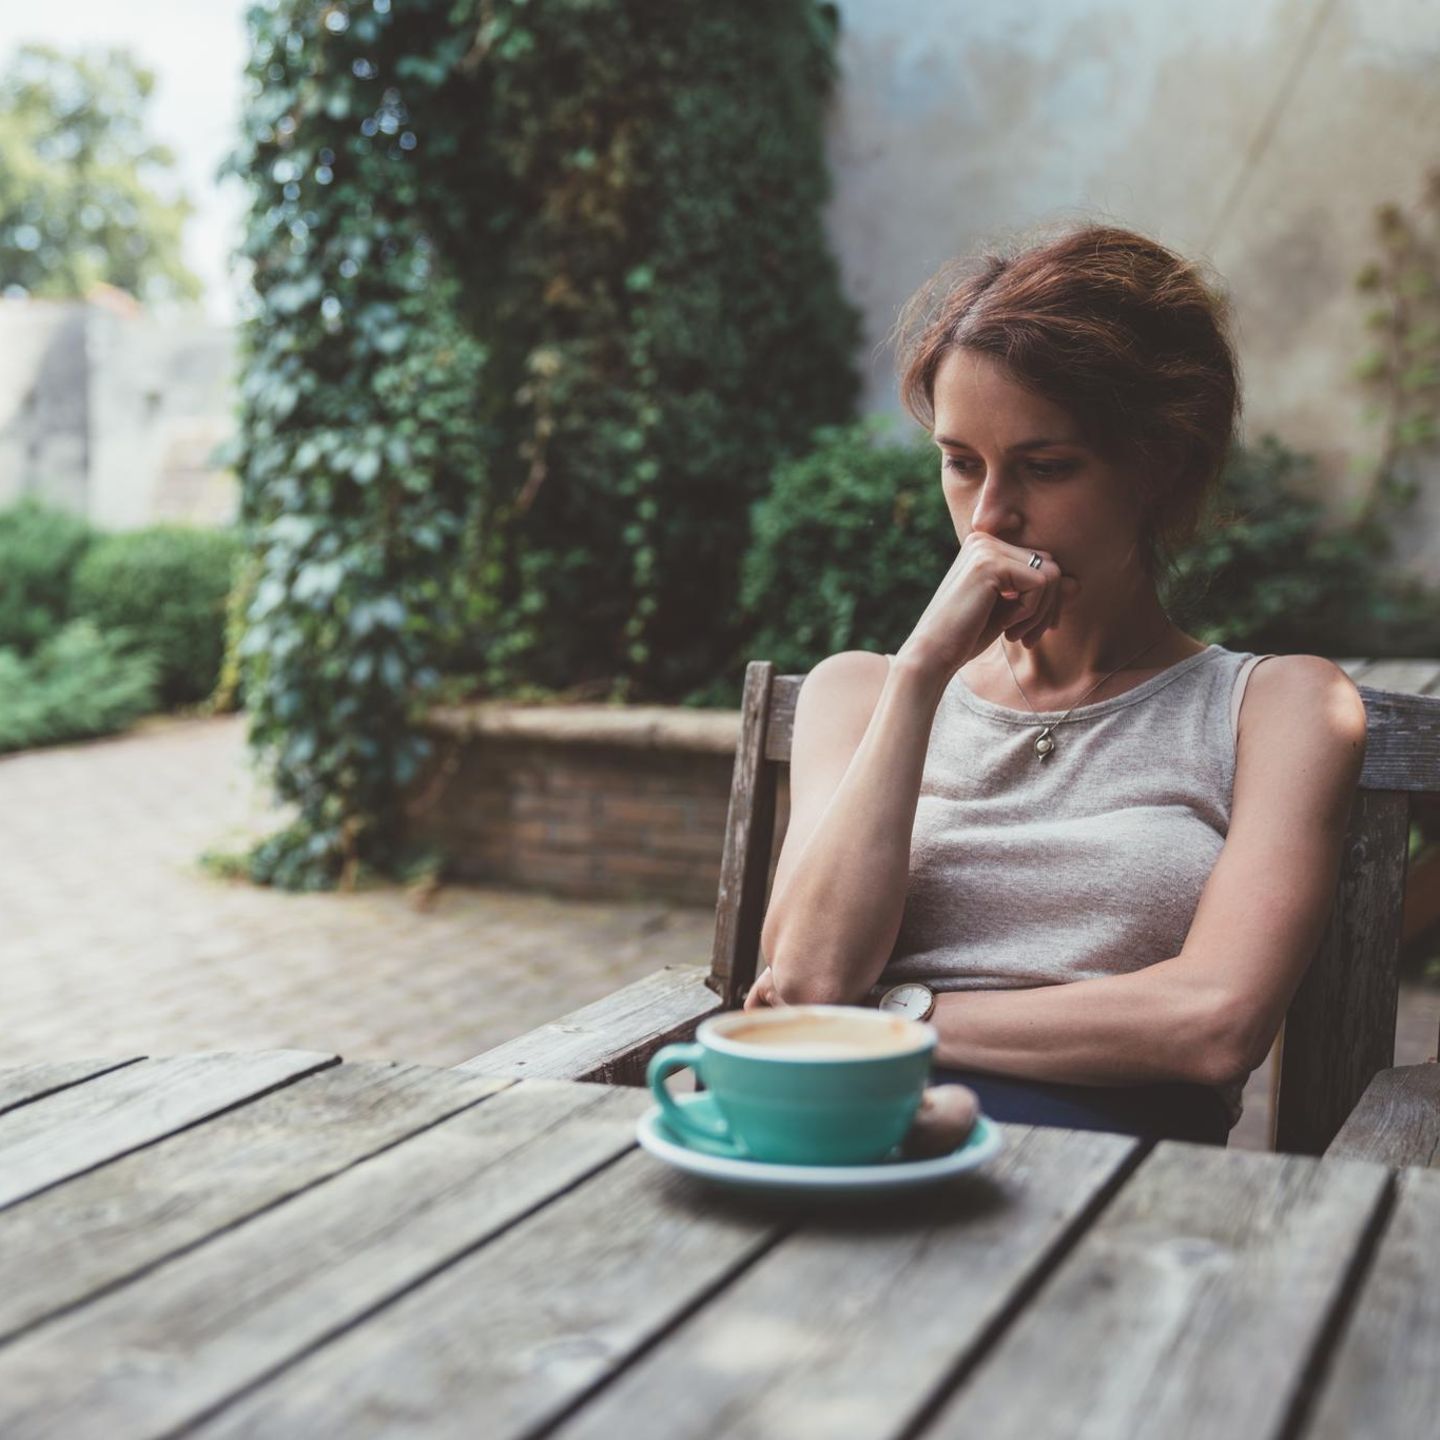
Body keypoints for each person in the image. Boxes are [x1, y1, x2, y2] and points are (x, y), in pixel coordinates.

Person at [742, 223, 1367, 1146]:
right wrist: (919, 678)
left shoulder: (1281, 709)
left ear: (1163, 467)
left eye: (1047, 466)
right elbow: (802, 985)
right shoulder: (864, 695)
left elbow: (1213, 1024)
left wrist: (896, 1016)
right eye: (962, 464)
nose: (990, 517)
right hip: (848, 1143)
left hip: (1103, 1187)